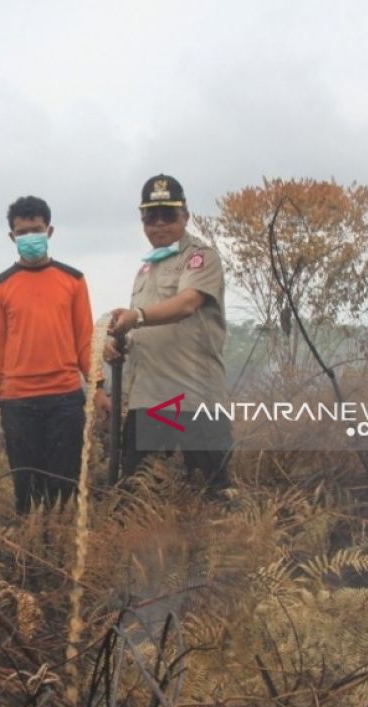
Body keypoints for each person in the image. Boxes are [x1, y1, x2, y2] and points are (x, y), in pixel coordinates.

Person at [0, 196, 109, 514]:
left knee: (64, 489)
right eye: (22, 232)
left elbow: (84, 339)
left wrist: (98, 387)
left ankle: (61, 554)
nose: (29, 237)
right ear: (12, 237)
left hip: (65, 399)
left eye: (36, 229)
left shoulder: (73, 280)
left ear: (49, 231)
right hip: (18, 402)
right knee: (27, 490)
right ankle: (31, 557)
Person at [105, 174, 232, 493]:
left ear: (185, 216)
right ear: (142, 220)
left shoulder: (200, 257)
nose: (159, 224)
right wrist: (119, 341)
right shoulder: (146, 268)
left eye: (168, 215)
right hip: (149, 400)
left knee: (210, 494)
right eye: (151, 216)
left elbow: (187, 303)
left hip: (194, 398)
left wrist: (138, 316)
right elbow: (143, 329)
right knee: (136, 497)